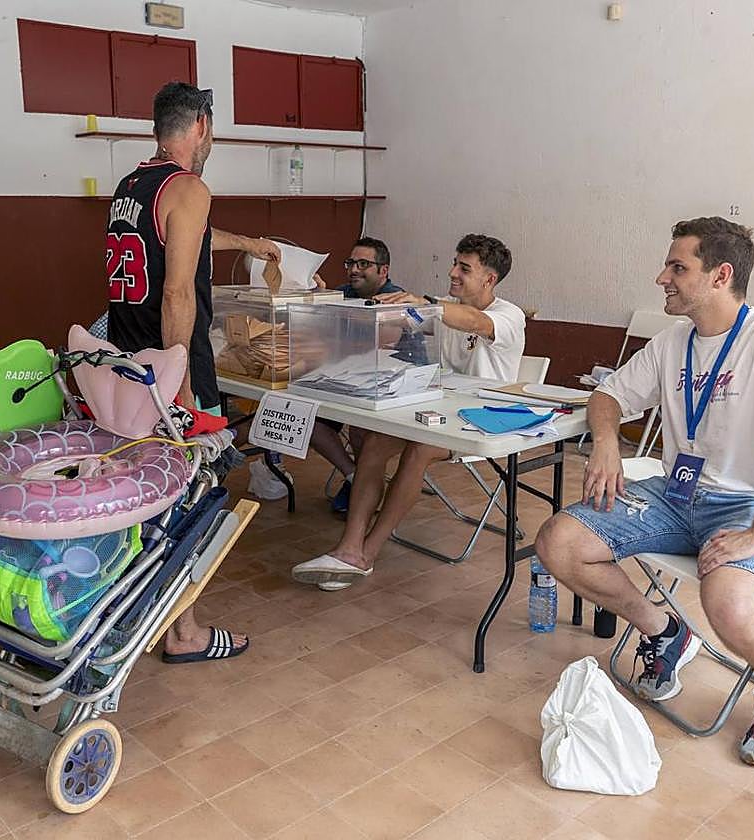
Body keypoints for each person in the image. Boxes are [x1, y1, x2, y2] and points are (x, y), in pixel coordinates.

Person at [535, 217, 754, 769]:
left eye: (678, 267)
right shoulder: (674, 342)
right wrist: (604, 442)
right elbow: (608, 396)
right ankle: (664, 631)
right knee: (559, 542)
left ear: (720, 276)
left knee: (731, 604)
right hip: (677, 494)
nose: (661, 277)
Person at [105, 81, 280, 663]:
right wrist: (179, 385)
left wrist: (248, 242)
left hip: (126, 365)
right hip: (169, 369)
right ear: (201, 125)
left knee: (149, 492)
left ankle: (144, 611)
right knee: (193, 493)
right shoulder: (190, 186)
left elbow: (183, 239)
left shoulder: (133, 186)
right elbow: (178, 291)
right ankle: (183, 632)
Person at [292, 234, 524, 590]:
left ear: (489, 279)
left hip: (483, 421)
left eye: (464, 268)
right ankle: (349, 547)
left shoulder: (508, 316)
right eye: (454, 263)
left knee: (418, 449)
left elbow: (474, 322)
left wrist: (425, 303)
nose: (453, 272)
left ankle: (366, 553)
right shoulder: (445, 306)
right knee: (375, 442)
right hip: (439, 410)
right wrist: (357, 308)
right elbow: (406, 321)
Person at [309, 237, 405, 514]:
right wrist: (319, 296)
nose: (354, 269)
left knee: (362, 428)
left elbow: (381, 347)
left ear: (383, 271)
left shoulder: (394, 298)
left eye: (364, 264)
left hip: (391, 388)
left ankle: (364, 485)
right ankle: (355, 476)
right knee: (306, 417)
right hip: (346, 381)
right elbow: (319, 334)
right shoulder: (342, 293)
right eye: (351, 262)